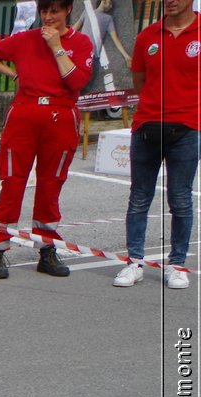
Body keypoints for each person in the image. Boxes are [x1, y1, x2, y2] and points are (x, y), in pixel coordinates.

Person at [0, 0, 94, 279]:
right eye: (44, 11)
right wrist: (14, 73)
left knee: (51, 182)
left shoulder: (81, 43)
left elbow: (77, 81)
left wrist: (56, 47)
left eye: (54, 11)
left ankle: (46, 248)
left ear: (67, 11)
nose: (48, 17)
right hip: (25, 112)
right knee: (13, 181)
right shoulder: (25, 39)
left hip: (61, 114)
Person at [112, 0, 198, 291]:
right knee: (139, 197)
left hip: (187, 128)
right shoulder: (147, 36)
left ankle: (177, 265)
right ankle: (134, 262)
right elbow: (140, 80)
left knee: (180, 199)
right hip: (147, 127)